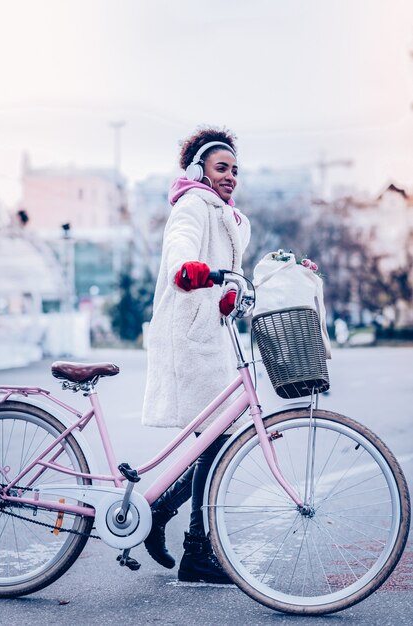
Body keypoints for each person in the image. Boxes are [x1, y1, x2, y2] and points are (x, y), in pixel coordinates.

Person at [141, 126, 251, 583]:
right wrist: (186, 269)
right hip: (189, 335)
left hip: (211, 334)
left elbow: (225, 272)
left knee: (215, 440)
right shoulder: (193, 205)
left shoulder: (227, 216)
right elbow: (180, 246)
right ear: (197, 170)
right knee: (215, 439)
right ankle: (195, 549)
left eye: (235, 170)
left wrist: (230, 293)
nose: (230, 176)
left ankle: (164, 514)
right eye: (221, 167)